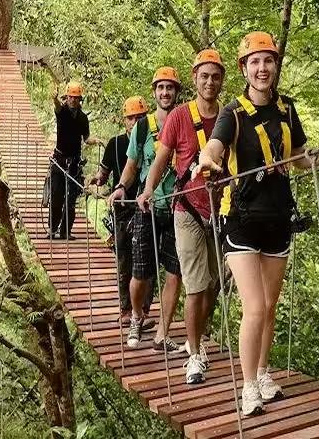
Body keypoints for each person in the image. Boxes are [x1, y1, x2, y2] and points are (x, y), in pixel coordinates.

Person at [194, 32, 319, 416]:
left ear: (275, 65)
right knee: (254, 306)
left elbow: (299, 156)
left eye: (268, 61)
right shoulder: (232, 114)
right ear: (244, 69)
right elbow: (214, 146)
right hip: (242, 219)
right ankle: (248, 387)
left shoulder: (287, 110)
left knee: (269, 307)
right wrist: (207, 159)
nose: (262, 68)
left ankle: (263, 373)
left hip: (278, 217)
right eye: (255, 62)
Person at [138, 49, 224, 384]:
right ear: (195, 78)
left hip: (221, 210)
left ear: (222, 80)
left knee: (213, 285)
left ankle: (198, 338)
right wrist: (147, 191)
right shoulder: (179, 117)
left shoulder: (228, 117)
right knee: (195, 284)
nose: (209, 82)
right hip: (186, 209)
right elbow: (161, 159)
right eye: (204, 76)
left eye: (215, 76)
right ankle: (193, 354)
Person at [107, 67, 184, 352]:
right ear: (155, 92)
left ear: (177, 92)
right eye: (161, 88)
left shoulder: (186, 121)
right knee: (140, 274)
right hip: (146, 206)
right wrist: (121, 188)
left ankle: (162, 333)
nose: (165, 92)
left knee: (175, 272)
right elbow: (132, 167)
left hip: (179, 207)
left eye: (170, 88)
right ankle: (137, 316)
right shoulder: (142, 127)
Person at [89, 96, 154, 327]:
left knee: (147, 260)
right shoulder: (115, 144)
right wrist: (98, 179)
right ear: (124, 120)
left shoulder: (153, 141)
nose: (135, 121)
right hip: (123, 208)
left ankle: (143, 310)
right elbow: (105, 172)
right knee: (125, 259)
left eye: (140, 117)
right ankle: (126, 309)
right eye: (131, 118)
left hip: (147, 208)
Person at [48, 81, 103, 240]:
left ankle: (66, 231)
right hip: (59, 160)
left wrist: (97, 141)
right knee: (57, 196)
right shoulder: (62, 112)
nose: (73, 100)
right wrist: (54, 99)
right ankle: (52, 229)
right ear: (67, 97)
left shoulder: (83, 118)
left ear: (80, 100)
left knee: (70, 198)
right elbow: (57, 107)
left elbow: (85, 139)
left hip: (74, 162)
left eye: (76, 98)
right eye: (71, 97)